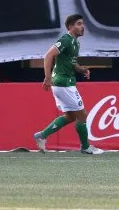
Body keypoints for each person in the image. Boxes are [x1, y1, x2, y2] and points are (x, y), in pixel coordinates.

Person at [33, 14, 104, 155]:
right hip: (63, 83)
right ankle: (85, 146)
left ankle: (42, 135)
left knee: (71, 116)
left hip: (63, 83)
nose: (82, 26)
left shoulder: (75, 43)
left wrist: (81, 69)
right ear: (70, 27)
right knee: (82, 115)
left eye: (82, 24)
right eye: (78, 24)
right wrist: (47, 77)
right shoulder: (66, 39)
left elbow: (71, 63)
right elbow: (48, 55)